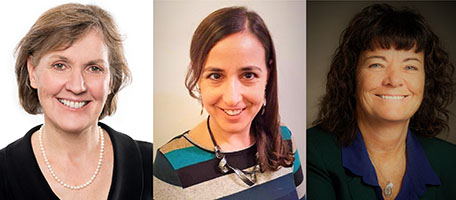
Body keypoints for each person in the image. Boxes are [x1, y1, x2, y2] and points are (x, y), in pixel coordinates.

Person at [0, 3, 151, 199]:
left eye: (94, 68)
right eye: (60, 65)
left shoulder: (152, 163)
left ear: (111, 80)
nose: (77, 86)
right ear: (32, 71)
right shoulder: (4, 173)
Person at [307, 3, 456, 200]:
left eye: (410, 67)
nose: (393, 80)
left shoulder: (450, 160)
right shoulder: (312, 152)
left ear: (427, 80)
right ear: (352, 75)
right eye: (377, 64)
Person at [153, 6, 304, 199]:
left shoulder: (284, 139)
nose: (232, 98)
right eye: (215, 75)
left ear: (268, 74)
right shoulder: (171, 164)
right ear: (198, 76)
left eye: (248, 75)